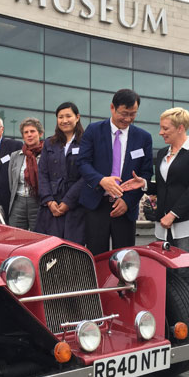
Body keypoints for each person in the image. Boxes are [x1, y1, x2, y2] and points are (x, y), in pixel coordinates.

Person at [122, 107, 189, 303]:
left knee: (186, 275)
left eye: (165, 128)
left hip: (187, 223)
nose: (161, 132)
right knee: (167, 275)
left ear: (180, 128)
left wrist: (173, 214)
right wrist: (145, 184)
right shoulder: (164, 153)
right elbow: (165, 186)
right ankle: (173, 320)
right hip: (164, 225)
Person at [77, 89, 153, 254]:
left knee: (125, 258)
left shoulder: (143, 138)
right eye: (124, 113)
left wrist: (128, 201)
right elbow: (82, 162)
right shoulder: (94, 130)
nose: (127, 119)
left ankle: (124, 282)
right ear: (112, 107)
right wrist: (101, 180)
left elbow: (146, 173)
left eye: (132, 114)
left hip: (125, 207)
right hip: (97, 204)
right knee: (97, 256)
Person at [34, 102, 86, 245]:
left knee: (73, 250)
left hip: (75, 206)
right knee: (48, 249)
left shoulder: (86, 142)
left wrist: (68, 202)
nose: (64, 120)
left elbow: (86, 176)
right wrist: (49, 201)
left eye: (68, 116)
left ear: (77, 117)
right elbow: (42, 173)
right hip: (51, 207)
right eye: (60, 117)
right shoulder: (50, 143)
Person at [7, 117, 44, 230]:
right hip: (18, 202)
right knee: (16, 237)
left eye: (32, 131)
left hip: (38, 202)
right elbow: (11, 181)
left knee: (38, 237)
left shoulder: (46, 154)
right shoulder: (15, 156)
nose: (29, 135)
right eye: (26, 132)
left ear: (40, 133)